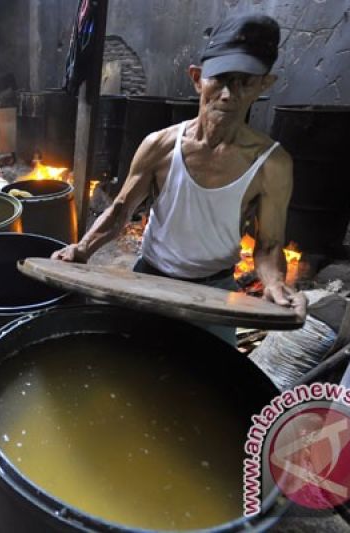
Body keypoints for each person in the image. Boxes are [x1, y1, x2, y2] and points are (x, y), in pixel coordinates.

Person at [52, 14, 307, 345]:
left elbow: (270, 244)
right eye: (221, 79)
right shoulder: (160, 146)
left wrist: (274, 284)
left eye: (245, 81)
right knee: (130, 363)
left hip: (215, 293)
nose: (229, 95)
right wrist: (82, 249)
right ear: (198, 78)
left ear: (264, 85)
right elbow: (120, 211)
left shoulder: (271, 163)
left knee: (208, 379)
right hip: (150, 278)